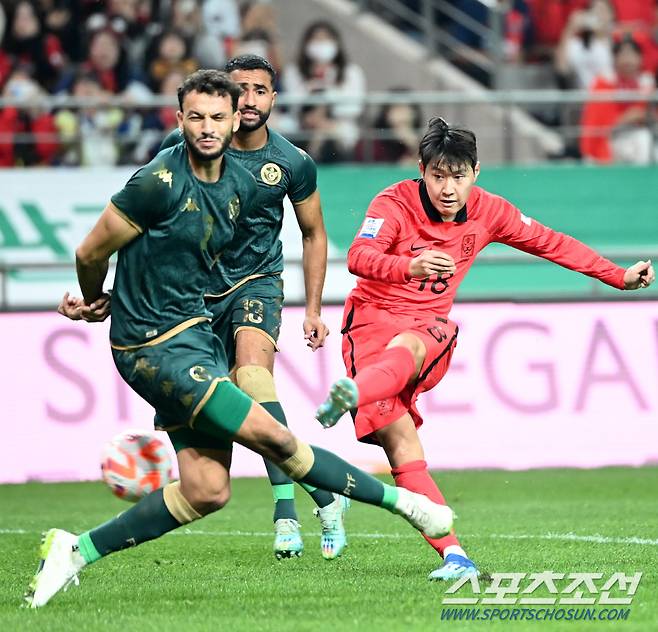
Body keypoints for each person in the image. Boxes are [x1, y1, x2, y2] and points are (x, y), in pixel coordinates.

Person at [25, 69, 454, 609]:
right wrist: (94, 298)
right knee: (271, 433)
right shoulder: (156, 181)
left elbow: (175, 258)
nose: (207, 128)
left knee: (207, 491)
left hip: (195, 336)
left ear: (235, 123)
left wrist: (126, 291)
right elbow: (92, 251)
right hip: (153, 350)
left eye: (217, 118)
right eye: (196, 117)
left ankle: (74, 551)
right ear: (179, 120)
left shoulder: (242, 187)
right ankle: (404, 506)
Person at [315, 117, 655, 582]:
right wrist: (409, 265)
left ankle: (352, 393)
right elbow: (359, 257)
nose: (448, 187)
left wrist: (615, 275)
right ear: (421, 170)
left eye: (458, 175)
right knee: (401, 450)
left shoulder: (489, 211)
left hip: (426, 325)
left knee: (410, 346)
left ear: (477, 171)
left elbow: (550, 243)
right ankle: (455, 556)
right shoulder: (392, 202)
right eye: (438, 175)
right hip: (370, 321)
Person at [159, 54, 346, 560]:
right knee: (234, 411)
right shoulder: (181, 150)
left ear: (273, 99)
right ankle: (323, 494)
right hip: (196, 294)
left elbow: (313, 233)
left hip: (257, 284)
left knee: (254, 378)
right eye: (239, 89)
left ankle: (285, 515)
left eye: (259, 90)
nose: (249, 99)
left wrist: (312, 309)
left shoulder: (291, 163)